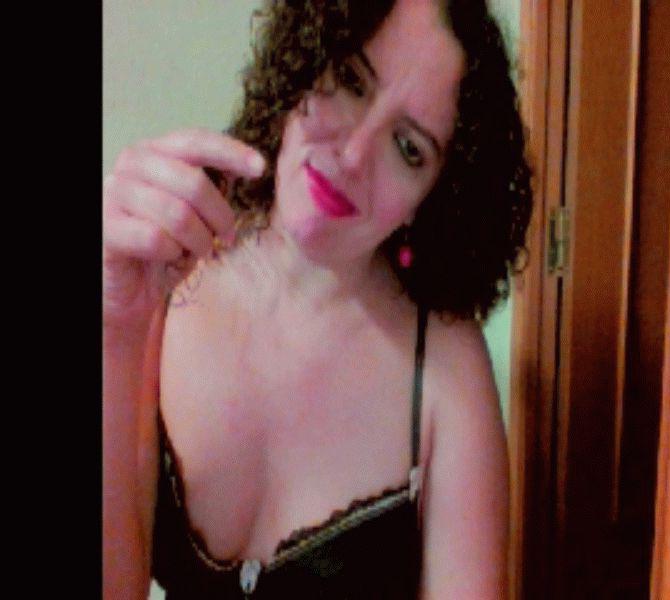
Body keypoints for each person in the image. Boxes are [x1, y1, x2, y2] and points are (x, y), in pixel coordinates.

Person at [103, 0, 533, 598]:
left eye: (408, 148)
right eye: (351, 81)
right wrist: (115, 328)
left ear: (432, 198)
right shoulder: (167, 269)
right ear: (303, 60)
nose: (353, 156)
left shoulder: (447, 372)